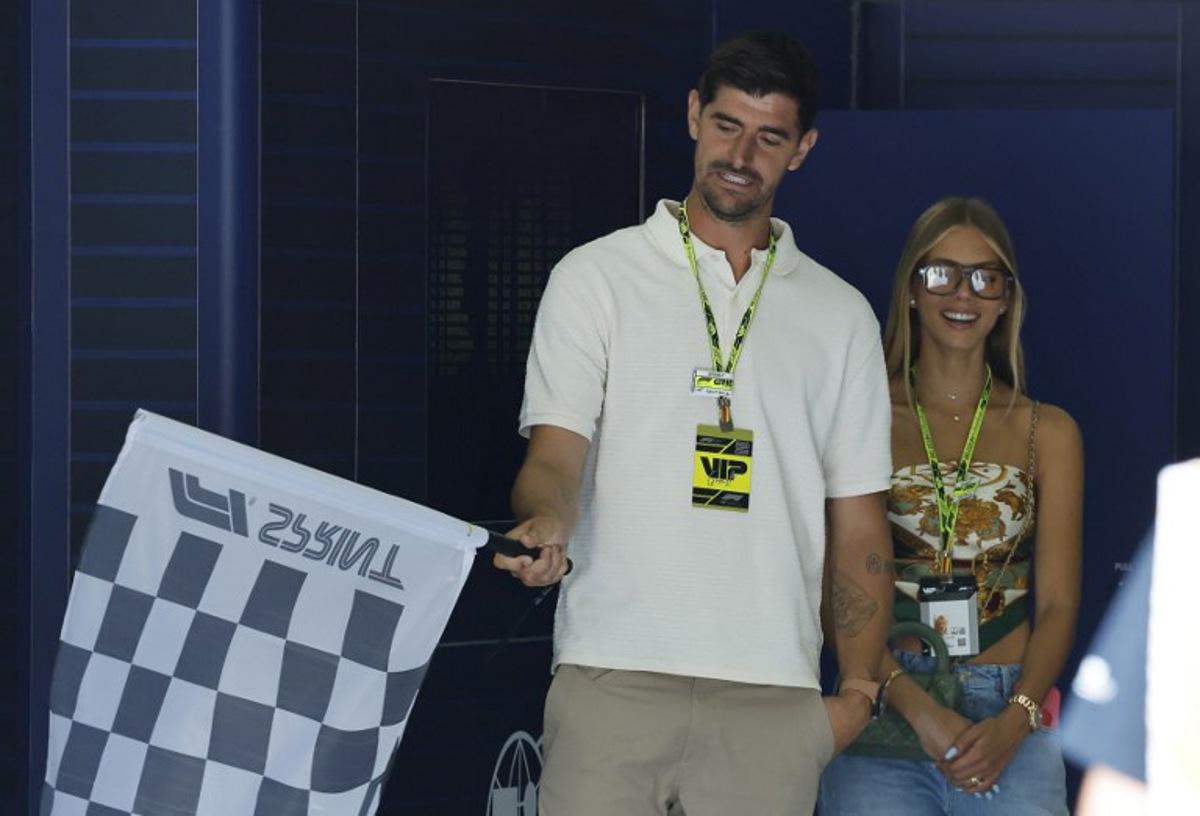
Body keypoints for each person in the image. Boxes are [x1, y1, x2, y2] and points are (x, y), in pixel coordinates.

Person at [492, 31, 894, 816]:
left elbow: (859, 519)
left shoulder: (841, 315)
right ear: (691, 117)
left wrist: (857, 692)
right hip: (613, 672)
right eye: (726, 125)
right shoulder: (595, 278)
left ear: (802, 149)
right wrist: (546, 522)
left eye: (769, 136)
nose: (741, 155)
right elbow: (556, 455)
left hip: (772, 695)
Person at [819, 198, 1084, 815]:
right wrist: (917, 707)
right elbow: (836, 591)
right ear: (911, 289)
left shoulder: (1049, 431)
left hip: (1010, 707)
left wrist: (1016, 718)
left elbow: (1059, 603)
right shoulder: (859, 416)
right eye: (941, 274)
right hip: (881, 698)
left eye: (986, 277)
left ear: (1006, 299)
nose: (963, 294)